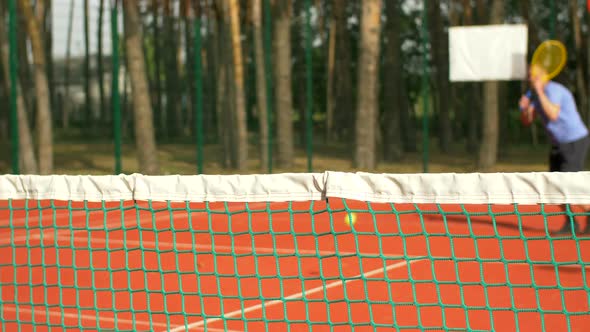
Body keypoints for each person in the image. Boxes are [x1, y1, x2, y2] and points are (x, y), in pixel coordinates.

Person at [519, 64, 590, 235]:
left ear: (545, 76)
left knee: (569, 186)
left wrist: (539, 92)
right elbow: (527, 122)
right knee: (554, 186)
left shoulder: (554, 90)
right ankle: (570, 223)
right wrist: (524, 109)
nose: (531, 78)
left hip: (574, 141)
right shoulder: (534, 95)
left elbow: (553, 114)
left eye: (535, 75)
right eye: (529, 75)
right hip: (558, 144)